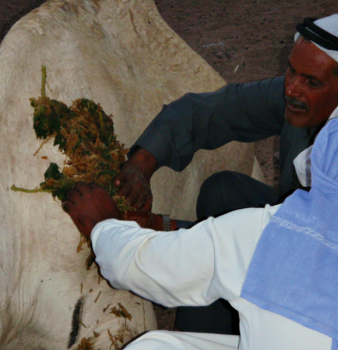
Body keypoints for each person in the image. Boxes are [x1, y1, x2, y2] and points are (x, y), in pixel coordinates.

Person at [110, 14, 338, 334]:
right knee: (224, 190)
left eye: (311, 81)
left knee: (213, 262)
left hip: (323, 293)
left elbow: (294, 249)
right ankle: (206, 331)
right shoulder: (303, 96)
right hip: (298, 236)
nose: (291, 89)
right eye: (290, 70)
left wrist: (169, 230)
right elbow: (208, 112)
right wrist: (140, 165)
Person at [61, 108, 338, 350]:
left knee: (153, 346)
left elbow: (145, 266)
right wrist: (164, 224)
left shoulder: (270, 234)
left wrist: (103, 224)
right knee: (225, 189)